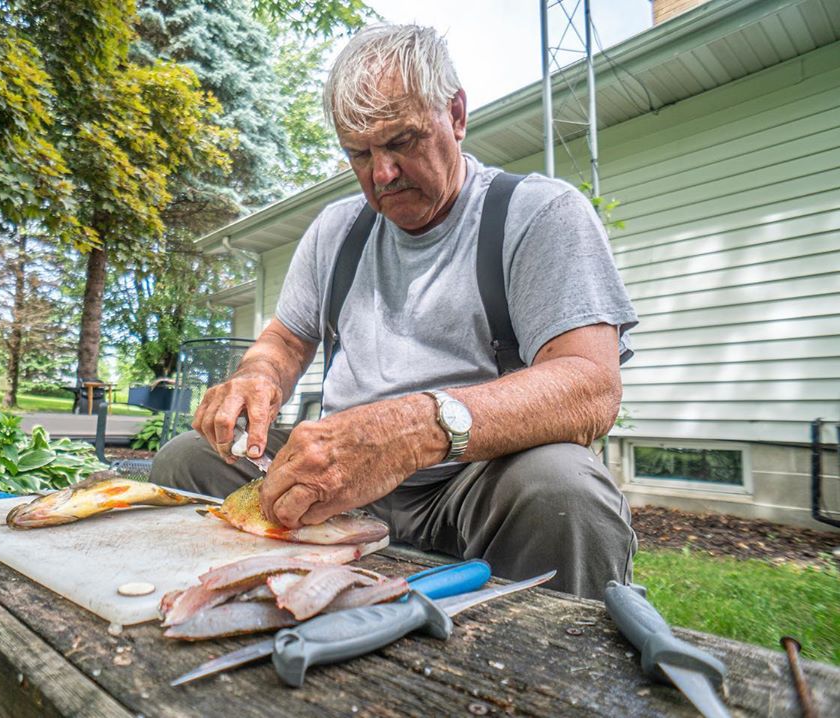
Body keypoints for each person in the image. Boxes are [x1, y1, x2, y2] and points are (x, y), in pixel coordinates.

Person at [151, 24, 638, 599]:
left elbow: (590, 387)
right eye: (360, 153)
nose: (382, 173)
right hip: (338, 482)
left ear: (455, 115)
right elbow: (286, 339)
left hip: (472, 485)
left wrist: (409, 432)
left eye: (402, 141)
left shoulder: (538, 214)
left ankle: (560, 672)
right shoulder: (337, 230)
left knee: (564, 490)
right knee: (186, 460)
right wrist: (256, 377)